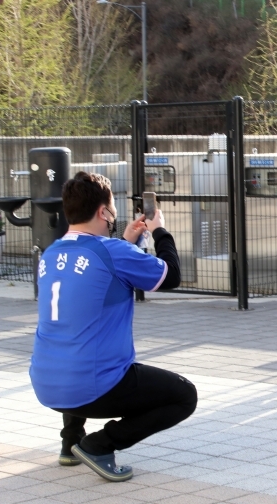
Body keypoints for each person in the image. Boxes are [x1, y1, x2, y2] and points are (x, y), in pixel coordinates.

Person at [29, 171, 197, 482]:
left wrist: (125, 242)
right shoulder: (114, 253)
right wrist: (160, 231)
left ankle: (70, 444)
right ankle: (98, 444)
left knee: (75, 345)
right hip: (95, 389)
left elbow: (95, 270)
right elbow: (171, 275)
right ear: (104, 212)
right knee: (184, 395)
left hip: (45, 383)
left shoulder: (51, 253)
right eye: (112, 208)